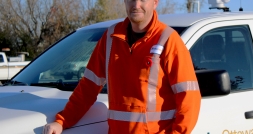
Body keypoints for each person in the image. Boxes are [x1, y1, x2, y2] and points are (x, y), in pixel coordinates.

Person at [43, 0, 201, 133]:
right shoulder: (110, 38)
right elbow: (88, 87)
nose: (136, 4)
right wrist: (62, 121)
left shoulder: (168, 40)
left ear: (155, 2)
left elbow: (189, 98)